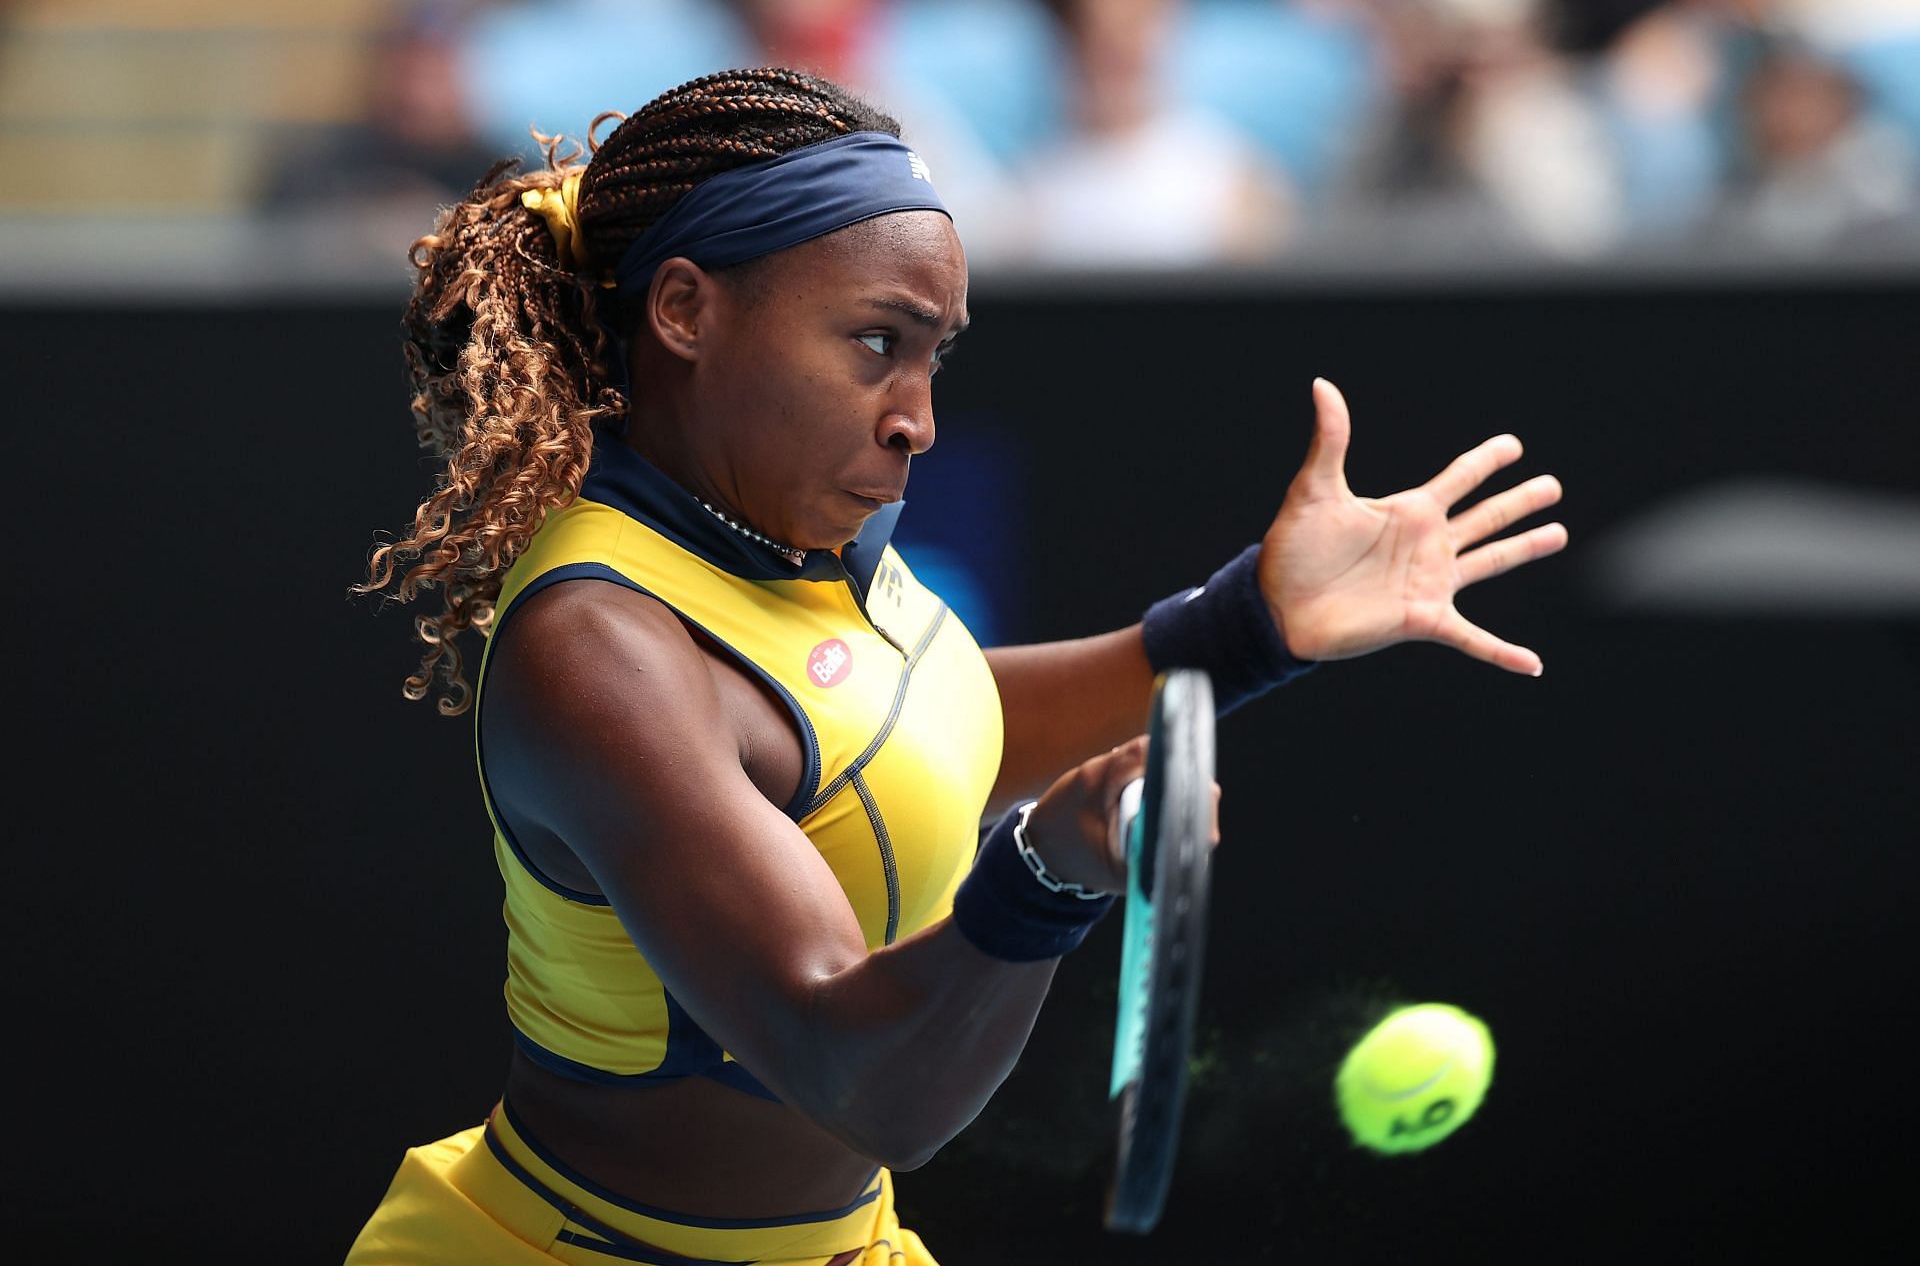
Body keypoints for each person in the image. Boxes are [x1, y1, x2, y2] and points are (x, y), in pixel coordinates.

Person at [346, 66, 1567, 1266]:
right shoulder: (599, 648)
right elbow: (862, 1081)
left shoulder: (800, 525)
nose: (915, 415)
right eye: (877, 341)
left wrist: (1248, 625)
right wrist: (1048, 869)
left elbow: (909, 740)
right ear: (684, 310)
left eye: (935, 355)